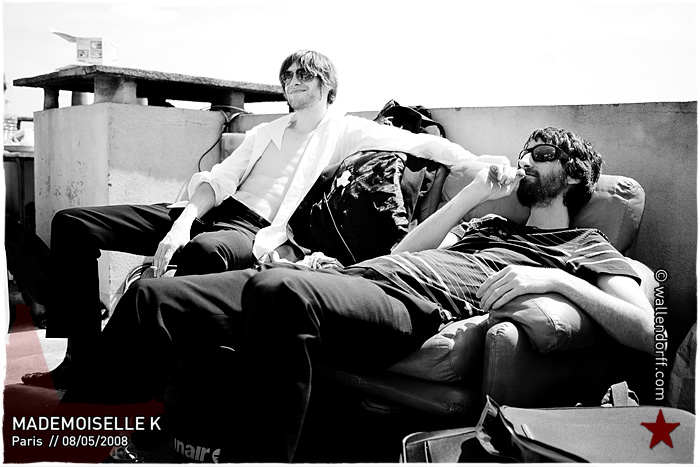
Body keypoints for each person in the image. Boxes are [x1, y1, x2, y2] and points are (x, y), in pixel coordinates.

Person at [58, 127, 654, 462]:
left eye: (541, 156)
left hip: (413, 307)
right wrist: (473, 194)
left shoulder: (587, 244)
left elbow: (645, 328)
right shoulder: (490, 222)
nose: (525, 160)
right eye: (525, 151)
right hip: (365, 280)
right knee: (157, 298)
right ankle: (69, 441)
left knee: (276, 291)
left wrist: (554, 280)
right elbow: (404, 251)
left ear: (574, 176)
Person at [23, 50, 476, 389]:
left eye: (304, 75)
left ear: (328, 86)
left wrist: (480, 167)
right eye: (288, 76)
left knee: (205, 252)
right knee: (72, 223)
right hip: (205, 209)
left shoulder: (343, 130)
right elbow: (220, 179)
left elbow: (423, 146)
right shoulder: (265, 131)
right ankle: (77, 358)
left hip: (252, 229)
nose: (293, 82)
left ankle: (165, 378)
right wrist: (180, 224)